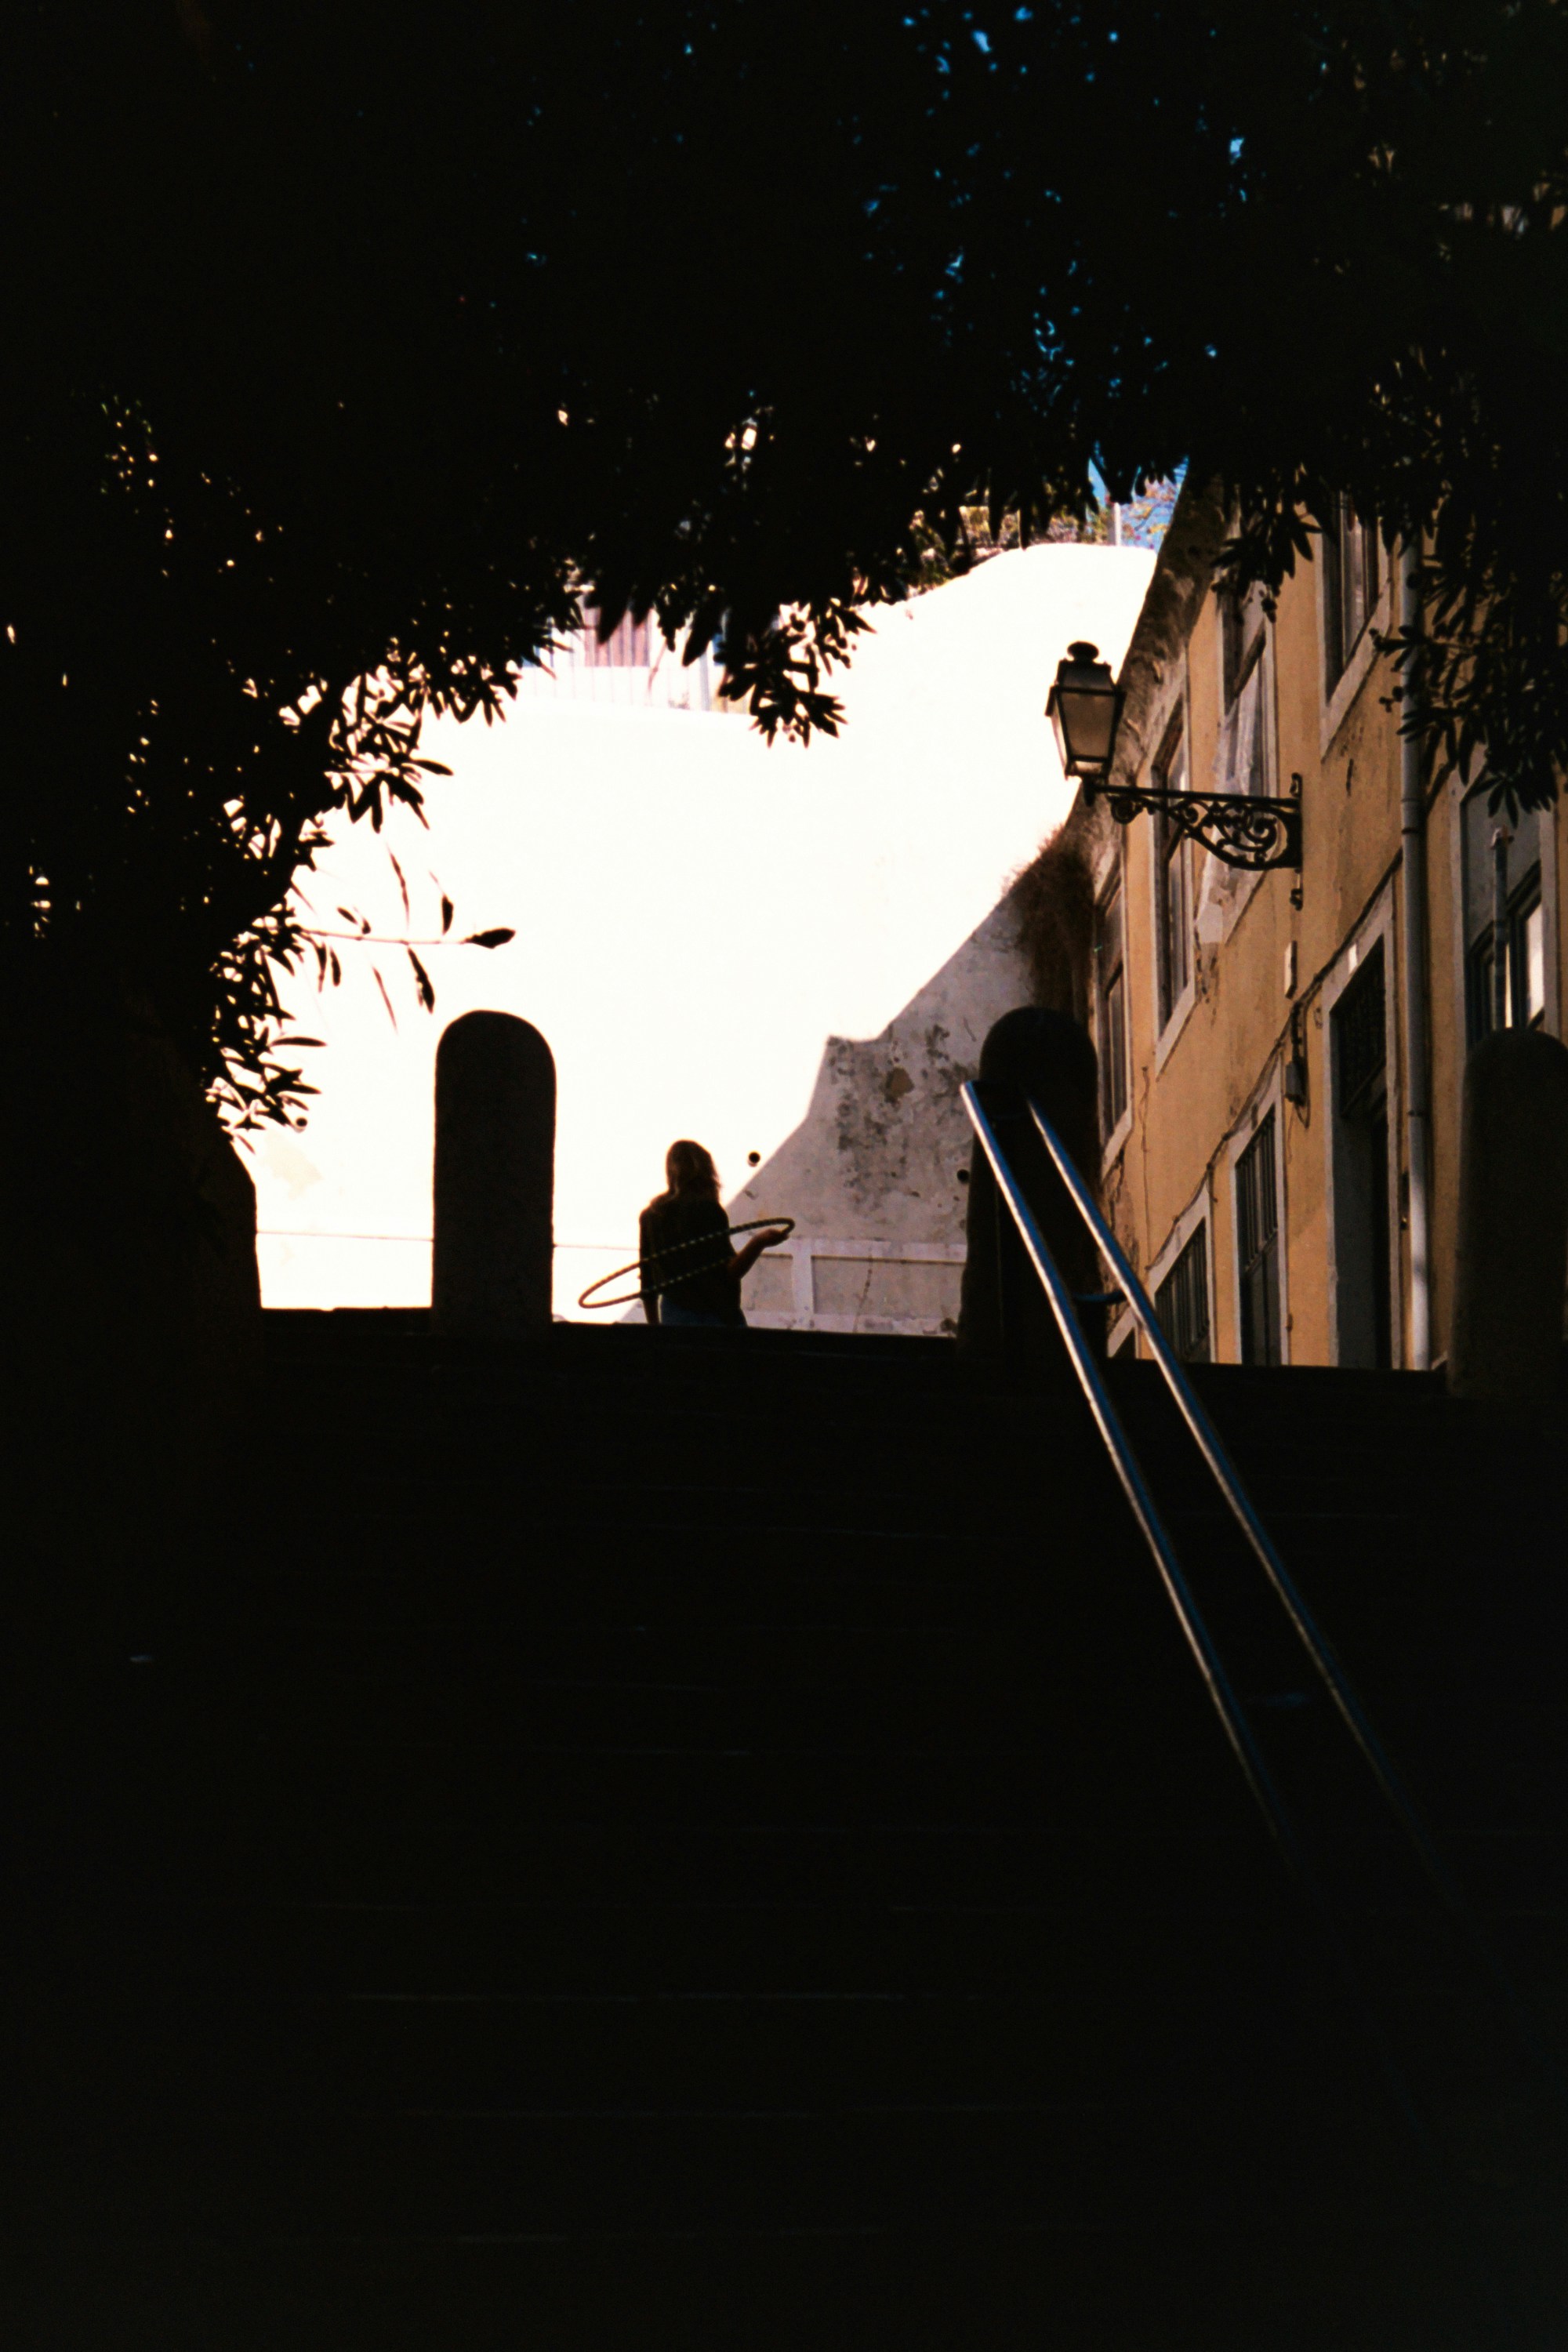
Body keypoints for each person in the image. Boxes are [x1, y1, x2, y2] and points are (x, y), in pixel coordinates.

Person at [639, 1141, 786, 1329]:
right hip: (716, 1313)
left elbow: (648, 1282)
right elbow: (729, 1272)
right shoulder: (707, 1209)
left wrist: (655, 1331)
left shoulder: (651, 1215)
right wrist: (760, 1241)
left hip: (674, 1314)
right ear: (706, 1171)